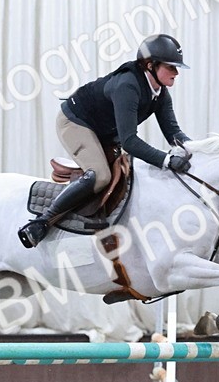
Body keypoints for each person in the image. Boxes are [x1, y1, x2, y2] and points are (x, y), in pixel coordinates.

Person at [17, 33, 195, 248]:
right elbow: (130, 141)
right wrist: (167, 161)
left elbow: (174, 133)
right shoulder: (127, 86)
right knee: (100, 176)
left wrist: (196, 151)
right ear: (150, 65)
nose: (176, 73)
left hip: (104, 131)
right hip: (75, 122)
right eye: (171, 67)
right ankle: (41, 222)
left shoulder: (160, 93)